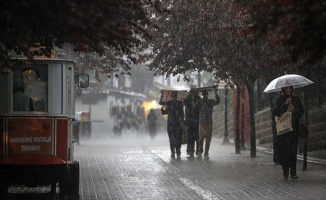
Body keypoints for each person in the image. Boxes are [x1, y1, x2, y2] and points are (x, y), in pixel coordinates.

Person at [273, 86, 304, 180]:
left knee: (293, 151)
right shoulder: (279, 99)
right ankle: (285, 171)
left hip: (293, 129)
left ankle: (293, 172)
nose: (288, 90)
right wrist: (285, 105)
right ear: (283, 89)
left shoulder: (295, 98)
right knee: (285, 151)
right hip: (283, 130)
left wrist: (294, 110)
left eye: (290, 88)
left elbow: (301, 112)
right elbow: (276, 112)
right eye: (286, 88)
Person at [195, 88, 220, 158]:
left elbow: (218, 101)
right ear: (202, 95)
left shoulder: (210, 101)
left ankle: (206, 152)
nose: (204, 95)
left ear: (207, 94)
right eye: (203, 94)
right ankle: (200, 151)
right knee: (201, 138)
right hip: (202, 123)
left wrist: (216, 93)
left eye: (205, 94)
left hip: (209, 123)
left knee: (208, 139)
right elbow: (194, 109)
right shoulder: (199, 102)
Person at [159, 91, 184, 158]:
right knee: (175, 139)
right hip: (174, 124)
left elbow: (182, 114)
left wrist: (162, 95)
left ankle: (175, 151)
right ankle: (175, 151)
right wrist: (162, 95)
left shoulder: (174, 103)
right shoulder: (173, 103)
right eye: (174, 95)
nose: (175, 96)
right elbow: (161, 104)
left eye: (175, 95)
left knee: (175, 139)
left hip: (174, 124)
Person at [184, 91, 200, 157]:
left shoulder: (199, 100)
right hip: (190, 121)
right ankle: (191, 151)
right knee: (191, 137)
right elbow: (186, 109)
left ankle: (198, 151)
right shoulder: (188, 99)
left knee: (198, 137)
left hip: (197, 121)